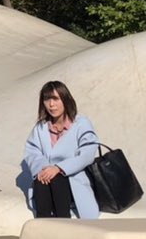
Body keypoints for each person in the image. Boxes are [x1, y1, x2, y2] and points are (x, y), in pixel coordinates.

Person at [23, 81, 100, 219]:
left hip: (73, 182)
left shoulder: (80, 123)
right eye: (47, 99)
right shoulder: (41, 127)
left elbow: (87, 154)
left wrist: (59, 168)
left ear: (65, 99)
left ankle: (63, 222)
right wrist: (44, 168)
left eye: (56, 99)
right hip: (47, 183)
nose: (51, 105)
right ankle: (43, 226)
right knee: (42, 180)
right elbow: (32, 152)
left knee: (58, 179)